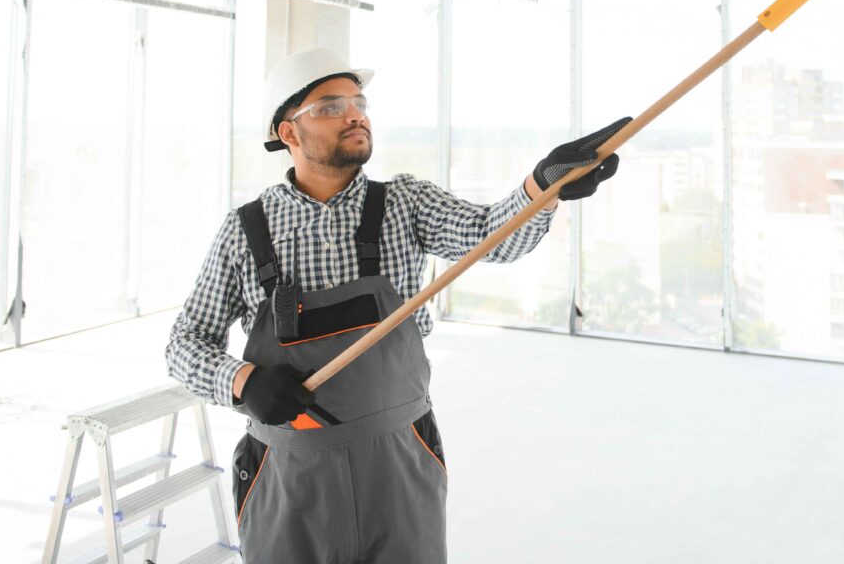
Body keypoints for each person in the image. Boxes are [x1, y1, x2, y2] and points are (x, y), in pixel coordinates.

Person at [166, 47, 627, 564]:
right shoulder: (245, 231)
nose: (356, 113)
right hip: (287, 474)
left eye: (358, 101)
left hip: (399, 461)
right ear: (288, 133)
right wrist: (243, 380)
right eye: (330, 106)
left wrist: (544, 188)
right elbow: (185, 343)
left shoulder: (404, 203)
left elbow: (488, 236)